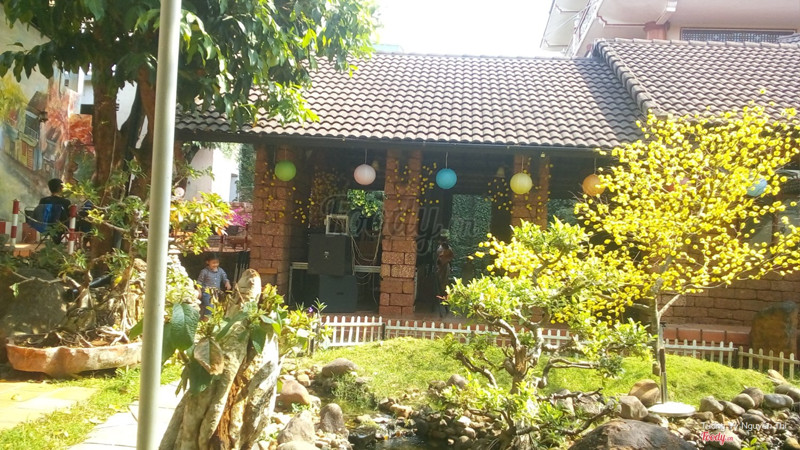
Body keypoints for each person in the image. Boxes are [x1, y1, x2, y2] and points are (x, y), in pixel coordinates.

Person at [34, 178, 72, 243]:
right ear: (61, 188)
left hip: (45, 226)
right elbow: (69, 216)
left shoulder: (43, 200)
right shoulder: (66, 202)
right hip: (62, 227)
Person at [197, 253, 231, 317]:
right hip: (207, 293)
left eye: (217, 262)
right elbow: (199, 283)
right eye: (213, 263)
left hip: (217, 293)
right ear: (207, 262)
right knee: (210, 308)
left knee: (217, 308)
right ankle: (206, 320)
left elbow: (225, 278)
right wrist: (199, 292)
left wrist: (227, 283)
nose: (215, 264)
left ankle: (210, 320)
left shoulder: (220, 270)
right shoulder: (204, 271)